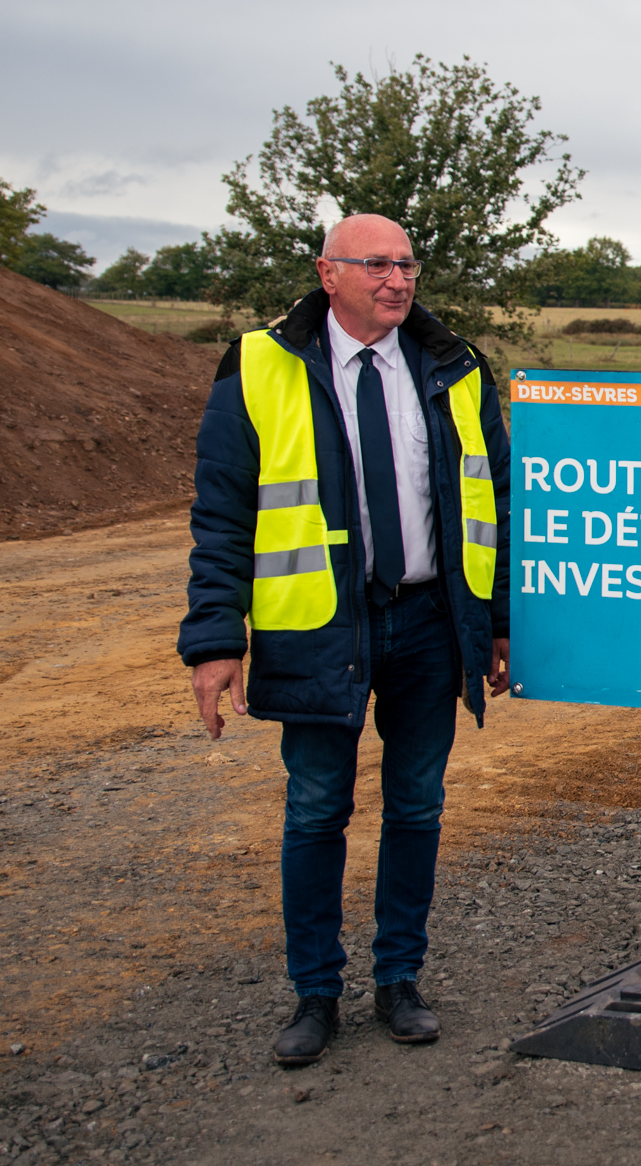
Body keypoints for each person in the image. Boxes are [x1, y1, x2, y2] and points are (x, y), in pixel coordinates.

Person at [179, 213, 512, 1068]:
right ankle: (315, 993)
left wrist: (498, 623)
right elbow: (221, 515)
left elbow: (501, 504)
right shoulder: (260, 365)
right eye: (377, 264)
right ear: (328, 273)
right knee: (318, 808)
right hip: (320, 628)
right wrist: (215, 640)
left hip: (431, 623)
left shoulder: (456, 367)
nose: (398, 279)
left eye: (408, 263)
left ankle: (400, 979)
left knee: (419, 804)